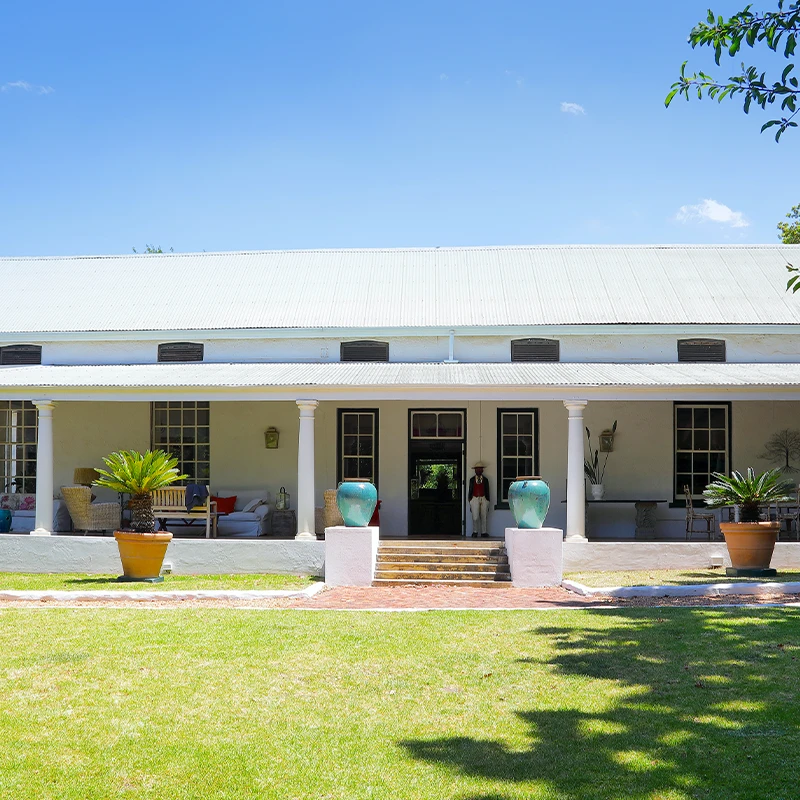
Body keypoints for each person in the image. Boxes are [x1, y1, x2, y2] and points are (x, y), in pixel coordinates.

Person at [468, 461, 490, 537]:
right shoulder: (472, 480)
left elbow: (487, 490)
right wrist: (470, 500)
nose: (479, 471)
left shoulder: (486, 480)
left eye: (480, 469)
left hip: (483, 498)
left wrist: (487, 501)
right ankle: (475, 531)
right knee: (475, 517)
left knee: (484, 516)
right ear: (475, 470)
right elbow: (470, 490)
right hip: (474, 498)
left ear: (482, 470)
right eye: (477, 469)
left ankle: (484, 532)